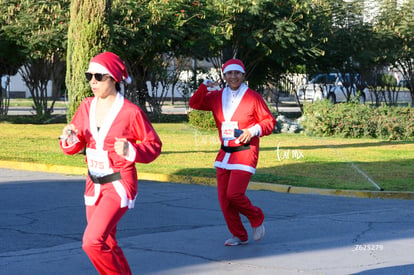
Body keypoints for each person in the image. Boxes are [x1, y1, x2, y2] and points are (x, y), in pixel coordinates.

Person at [59, 52, 162, 274]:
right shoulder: (86, 106)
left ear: (114, 78)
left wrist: (131, 150)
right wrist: (68, 137)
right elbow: (74, 145)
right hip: (93, 184)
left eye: (99, 76)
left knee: (92, 241)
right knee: (107, 243)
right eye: (90, 75)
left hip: (118, 183)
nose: (92, 81)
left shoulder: (131, 112)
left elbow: (154, 146)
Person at [189, 59, 276, 246]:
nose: (233, 76)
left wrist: (252, 131)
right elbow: (194, 103)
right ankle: (240, 235)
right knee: (224, 200)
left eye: (237, 73)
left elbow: (269, 122)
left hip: (245, 153)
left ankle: (256, 216)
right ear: (225, 76)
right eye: (230, 73)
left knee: (234, 194)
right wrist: (204, 86)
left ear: (243, 75)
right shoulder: (216, 96)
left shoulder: (253, 97)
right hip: (224, 154)